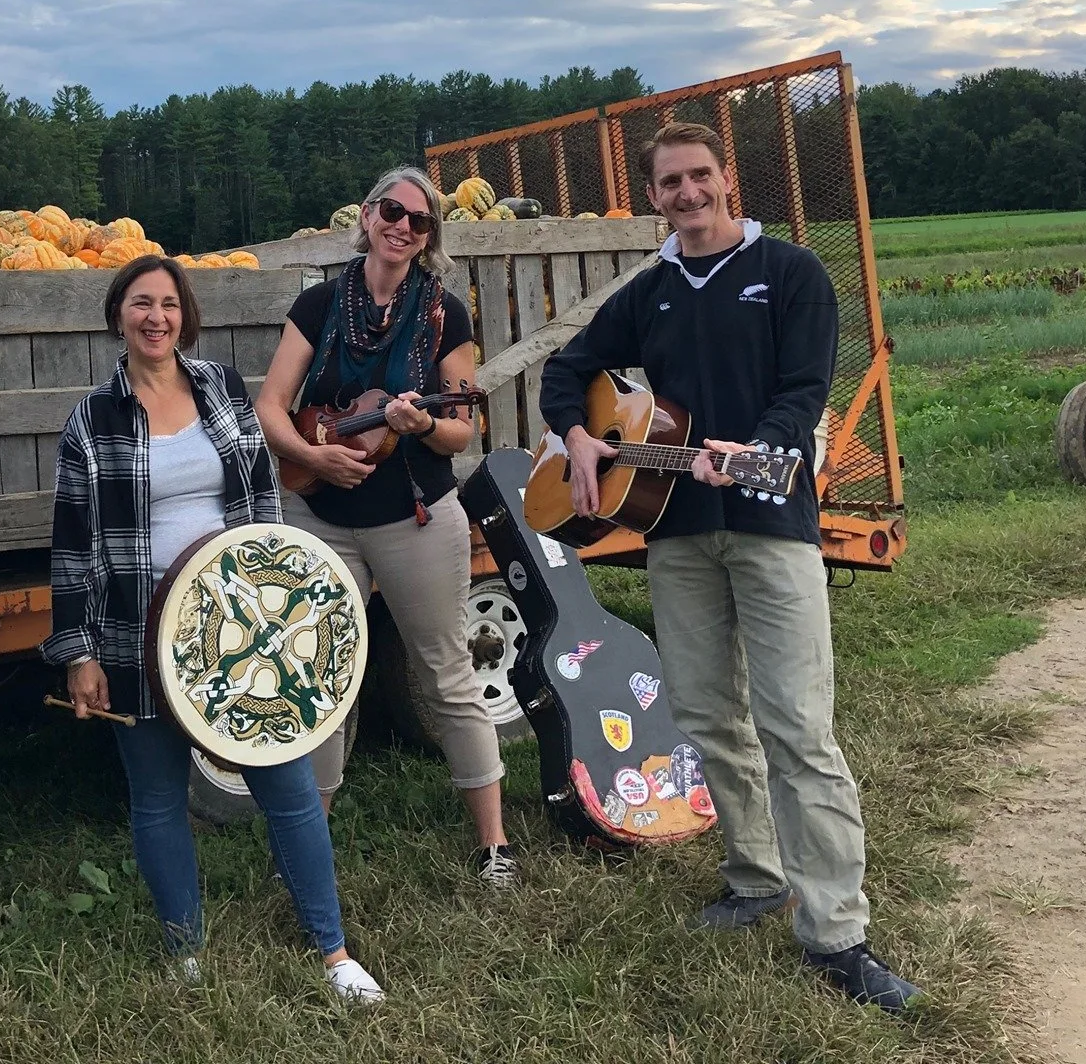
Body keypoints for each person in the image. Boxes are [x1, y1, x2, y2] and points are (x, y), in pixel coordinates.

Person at [538, 120, 922, 1014]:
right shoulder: (654, 287)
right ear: (655, 195)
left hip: (771, 526)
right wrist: (580, 439)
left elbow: (804, 393)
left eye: (699, 176)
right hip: (676, 538)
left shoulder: (790, 274)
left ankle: (838, 932)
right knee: (709, 714)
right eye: (670, 182)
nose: (687, 193)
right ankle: (755, 875)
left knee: (797, 726)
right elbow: (570, 368)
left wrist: (756, 449)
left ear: (726, 179)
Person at [44, 255, 385, 1005]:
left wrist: (275, 600)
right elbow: (71, 546)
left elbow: (263, 498)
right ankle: (186, 952)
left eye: (168, 303)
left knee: (290, 788)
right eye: (141, 303)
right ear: (118, 315)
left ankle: (333, 952)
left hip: (239, 632)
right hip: (137, 633)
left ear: (185, 316)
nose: (155, 317)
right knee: (158, 797)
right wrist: (78, 653)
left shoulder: (222, 389)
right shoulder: (91, 419)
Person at [255, 166, 515, 891]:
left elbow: (460, 433)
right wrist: (312, 455)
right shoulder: (318, 304)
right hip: (320, 512)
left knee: (444, 673)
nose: (403, 226)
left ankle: (493, 845)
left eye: (420, 219)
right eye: (391, 211)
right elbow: (273, 404)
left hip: (414, 517)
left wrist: (423, 421)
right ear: (367, 217)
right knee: (321, 673)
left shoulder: (444, 316)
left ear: (430, 236)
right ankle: (312, 847)